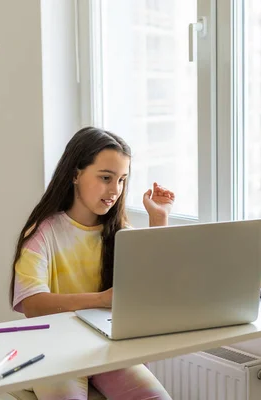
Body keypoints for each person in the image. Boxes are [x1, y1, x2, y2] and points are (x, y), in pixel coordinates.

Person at [10, 127, 174, 400]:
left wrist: (159, 220)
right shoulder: (43, 233)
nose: (115, 190)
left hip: (105, 347)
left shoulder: (121, 232)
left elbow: (153, 287)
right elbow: (33, 304)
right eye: (106, 178)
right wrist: (101, 299)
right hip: (53, 348)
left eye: (122, 180)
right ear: (76, 174)